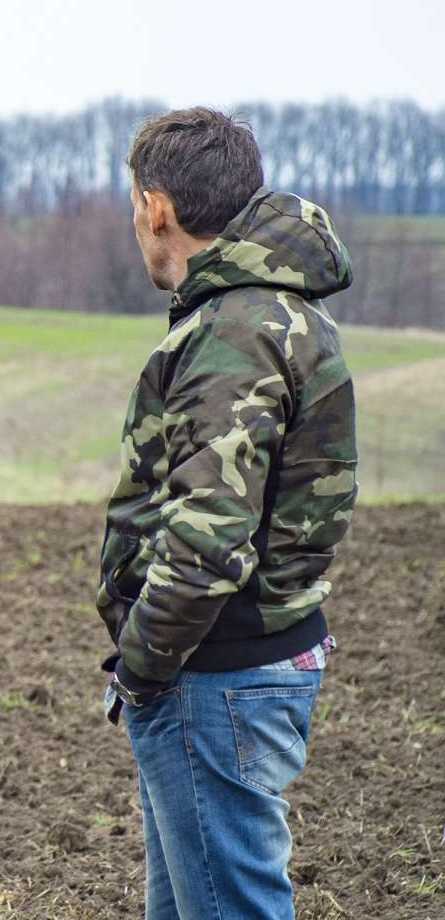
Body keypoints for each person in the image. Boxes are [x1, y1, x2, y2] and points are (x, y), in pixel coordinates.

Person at [96, 107, 358, 920]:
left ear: (156, 208)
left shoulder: (235, 332)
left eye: (134, 204)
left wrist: (140, 668)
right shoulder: (277, 311)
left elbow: (207, 543)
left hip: (217, 672)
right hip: (244, 664)